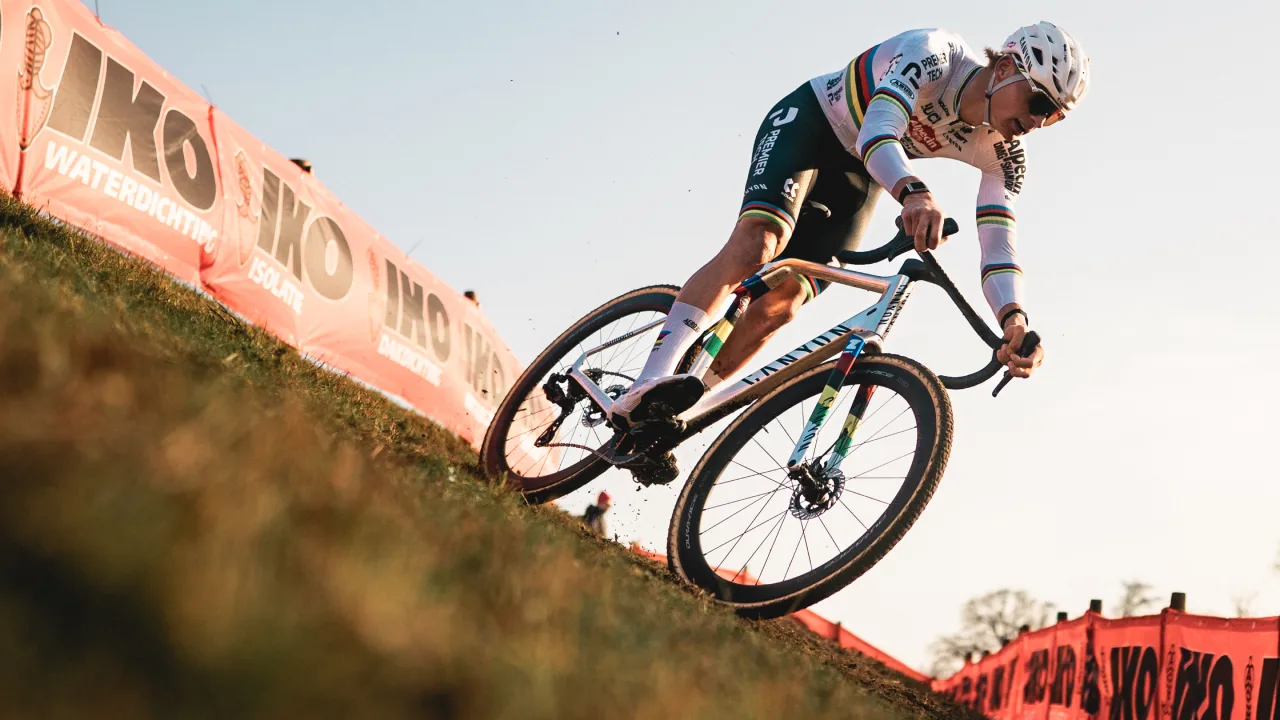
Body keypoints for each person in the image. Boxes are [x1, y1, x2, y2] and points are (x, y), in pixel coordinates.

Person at [609, 23, 1089, 474]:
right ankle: (646, 383)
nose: (1037, 121)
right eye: (1038, 101)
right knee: (761, 244)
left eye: (1053, 117)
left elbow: (999, 241)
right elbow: (876, 132)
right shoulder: (934, 55)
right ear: (1005, 67)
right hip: (815, 125)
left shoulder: (1005, 154)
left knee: (786, 300)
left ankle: (672, 416)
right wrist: (913, 192)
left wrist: (1014, 319)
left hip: (860, 176)